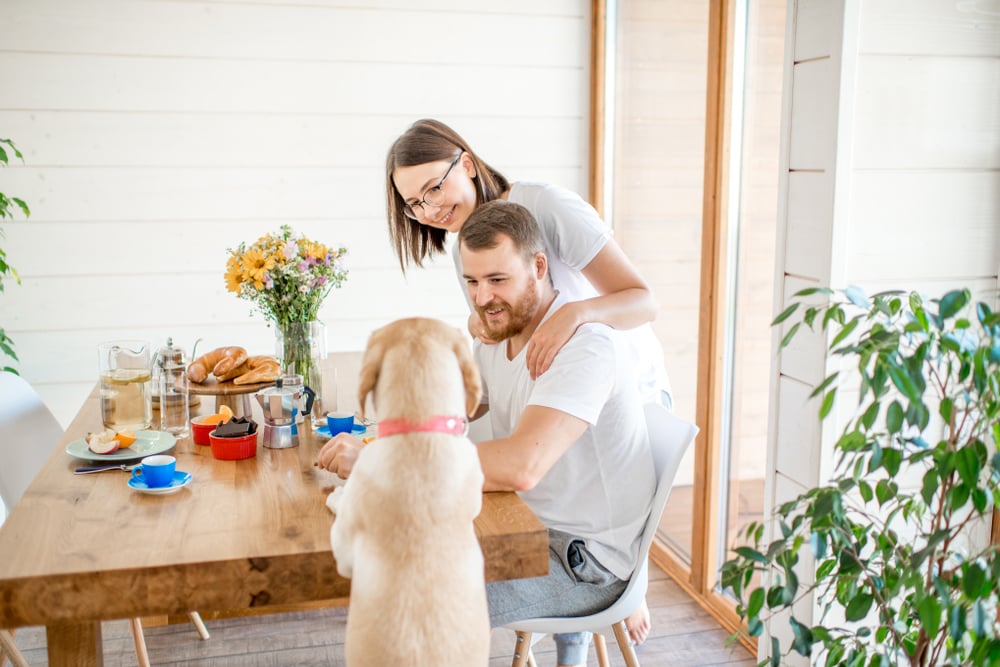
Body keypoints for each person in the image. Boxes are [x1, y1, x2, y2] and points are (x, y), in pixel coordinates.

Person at [318, 201, 656, 667]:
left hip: (584, 562)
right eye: (472, 282)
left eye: (498, 280)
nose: (482, 299)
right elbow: (452, 417)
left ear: (539, 267)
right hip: (524, 525)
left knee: (409, 582)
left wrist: (380, 461)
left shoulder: (586, 348)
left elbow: (521, 466)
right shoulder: (499, 331)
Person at [386, 119, 668, 646]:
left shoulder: (549, 207)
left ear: (465, 164)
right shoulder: (467, 251)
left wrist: (577, 314)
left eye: (434, 188)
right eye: (415, 203)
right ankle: (577, 623)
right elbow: (487, 365)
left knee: (592, 510)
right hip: (555, 410)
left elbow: (643, 300)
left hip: (614, 382)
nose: (429, 209)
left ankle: (614, 586)